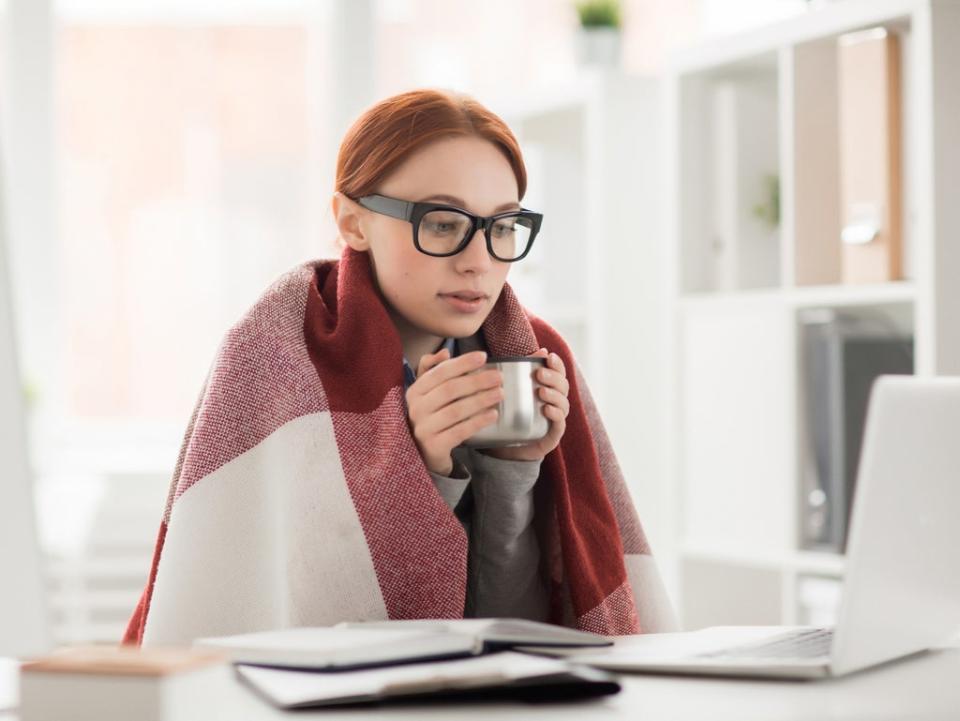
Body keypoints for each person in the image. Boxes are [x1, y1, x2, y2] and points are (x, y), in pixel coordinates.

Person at [123, 89, 676, 646]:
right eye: (441, 223)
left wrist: (513, 468)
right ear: (352, 222)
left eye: (503, 227)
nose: (478, 261)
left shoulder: (534, 354)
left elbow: (517, 630)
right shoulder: (275, 358)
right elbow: (309, 628)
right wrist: (420, 473)